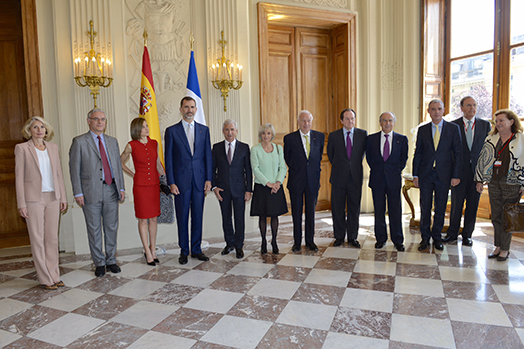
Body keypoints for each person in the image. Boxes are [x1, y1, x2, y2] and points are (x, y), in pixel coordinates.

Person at [69, 109, 126, 277]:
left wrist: (121, 187)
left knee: (111, 227)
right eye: (96, 119)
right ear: (89, 121)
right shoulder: (79, 142)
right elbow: (74, 169)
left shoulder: (112, 141)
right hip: (89, 192)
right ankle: (99, 262)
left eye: (102, 119)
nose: (100, 122)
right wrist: (77, 192)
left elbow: (117, 166)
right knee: (94, 229)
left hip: (111, 189)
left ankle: (111, 260)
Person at [15, 117, 67, 290]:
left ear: (46, 130)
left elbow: (59, 174)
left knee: (52, 239)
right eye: (35, 127)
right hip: (33, 199)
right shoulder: (22, 149)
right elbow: (19, 178)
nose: (39, 130)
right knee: (38, 239)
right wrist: (21, 203)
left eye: (42, 127)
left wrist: (63, 197)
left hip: (53, 197)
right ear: (29, 130)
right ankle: (45, 278)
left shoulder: (53, 147)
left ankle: (55, 275)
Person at [165, 96, 212, 265]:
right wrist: (171, 182)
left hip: (200, 181)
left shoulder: (204, 130)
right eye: (186, 107)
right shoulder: (172, 131)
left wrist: (208, 179)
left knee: (198, 216)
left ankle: (196, 249)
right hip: (180, 183)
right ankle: (184, 251)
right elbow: (168, 159)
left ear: (196, 110)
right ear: (181, 109)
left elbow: (208, 156)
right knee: (183, 217)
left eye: (192, 107)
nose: (189, 110)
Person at [413, 99, 462, 251]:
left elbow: (458, 154)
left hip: (444, 175)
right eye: (433, 109)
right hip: (426, 175)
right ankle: (425, 238)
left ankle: (437, 237)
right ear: (428, 111)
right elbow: (418, 153)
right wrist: (415, 174)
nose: (436, 112)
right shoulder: (423, 130)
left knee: (440, 208)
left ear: (443, 110)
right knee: (425, 207)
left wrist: (456, 175)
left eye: (439, 109)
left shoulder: (453, 129)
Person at [475, 109, 524, 261]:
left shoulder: (520, 139)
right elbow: (483, 159)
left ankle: (505, 249)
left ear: (511, 122)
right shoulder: (491, 138)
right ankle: (497, 246)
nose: (498, 123)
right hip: (493, 181)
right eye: (497, 121)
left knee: (507, 216)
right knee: (496, 215)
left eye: (502, 120)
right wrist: (479, 179)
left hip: (512, 182)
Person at [444, 96, 491, 246]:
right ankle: (452, 234)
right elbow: (449, 151)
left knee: (473, 205)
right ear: (462, 108)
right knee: (456, 205)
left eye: (474, 105)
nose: (472, 108)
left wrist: (483, 175)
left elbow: (488, 151)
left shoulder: (485, 125)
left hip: (477, 174)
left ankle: (467, 235)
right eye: (469, 105)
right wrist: (452, 174)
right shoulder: (453, 125)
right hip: (459, 173)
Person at [121, 118, 166, 266]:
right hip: (140, 186)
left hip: (154, 185)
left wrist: (166, 180)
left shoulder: (154, 143)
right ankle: (147, 251)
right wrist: (133, 174)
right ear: (136, 129)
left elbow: (158, 164)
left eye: (147, 126)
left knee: (153, 219)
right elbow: (119, 162)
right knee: (143, 219)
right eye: (143, 127)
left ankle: (153, 249)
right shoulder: (131, 145)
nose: (147, 129)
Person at [366, 112, 408, 251]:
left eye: (390, 120)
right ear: (380, 122)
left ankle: (398, 240)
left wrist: (393, 171)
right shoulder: (371, 139)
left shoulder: (401, 139)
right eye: (384, 120)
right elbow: (370, 159)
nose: (387, 123)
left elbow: (403, 160)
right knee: (379, 211)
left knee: (395, 210)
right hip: (377, 179)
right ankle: (381, 239)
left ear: (394, 122)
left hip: (393, 180)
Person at [284, 110, 324, 252]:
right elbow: (287, 158)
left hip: (312, 180)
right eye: (303, 121)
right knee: (296, 212)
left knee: (311, 212)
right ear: (298, 122)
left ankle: (310, 241)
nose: (306, 123)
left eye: (308, 120)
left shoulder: (319, 136)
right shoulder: (289, 138)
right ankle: (296, 242)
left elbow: (317, 157)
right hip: (296, 180)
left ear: (311, 122)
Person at [212, 119, 252, 259]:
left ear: (236, 131)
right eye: (227, 130)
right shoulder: (216, 148)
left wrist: (249, 190)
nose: (229, 132)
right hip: (223, 190)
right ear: (223, 131)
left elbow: (248, 170)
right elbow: (212, 169)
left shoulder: (244, 147)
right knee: (226, 217)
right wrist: (214, 187)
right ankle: (229, 244)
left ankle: (239, 246)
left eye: (232, 129)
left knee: (239, 218)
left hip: (240, 189)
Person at [327, 108, 367, 248]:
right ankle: (339, 237)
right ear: (342, 121)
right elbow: (331, 155)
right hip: (338, 177)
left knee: (354, 209)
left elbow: (361, 154)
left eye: (352, 118)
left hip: (355, 177)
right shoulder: (334, 135)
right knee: (337, 209)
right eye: (347, 119)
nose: (351, 121)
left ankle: (352, 237)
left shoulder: (362, 134)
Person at [250, 123, 288, 254]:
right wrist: (268, 184)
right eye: (263, 133)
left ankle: (274, 241)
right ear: (260, 135)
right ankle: (263, 241)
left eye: (268, 133)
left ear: (272, 135)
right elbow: (255, 169)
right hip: (262, 187)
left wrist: (277, 183)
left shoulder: (278, 148)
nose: (266, 136)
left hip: (276, 187)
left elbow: (282, 167)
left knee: (274, 216)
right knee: (262, 216)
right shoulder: (255, 149)